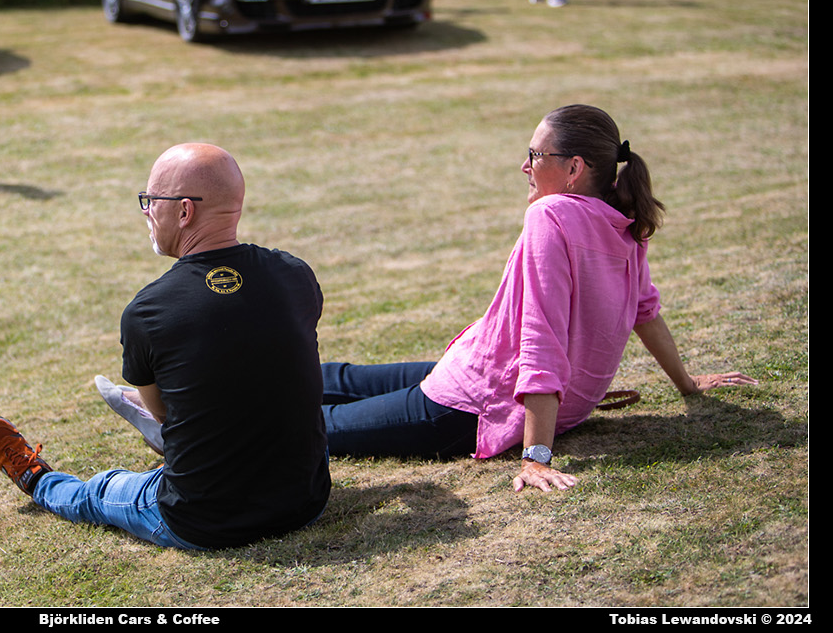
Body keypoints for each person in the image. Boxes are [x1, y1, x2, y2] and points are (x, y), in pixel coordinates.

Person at [315, 105, 759, 493]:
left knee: (317, 426)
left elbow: (542, 338)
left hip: (473, 407)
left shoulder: (551, 215)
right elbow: (646, 312)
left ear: (574, 168)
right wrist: (687, 383)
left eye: (535, 155)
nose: (524, 167)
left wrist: (536, 457)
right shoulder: (623, 220)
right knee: (333, 378)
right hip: (477, 370)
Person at [0, 143, 331, 549]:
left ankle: (37, 479)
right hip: (306, 500)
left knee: (101, 491)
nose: (146, 211)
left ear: (184, 211)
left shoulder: (148, 311)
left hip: (204, 521)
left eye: (151, 200)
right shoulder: (294, 273)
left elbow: (162, 414)